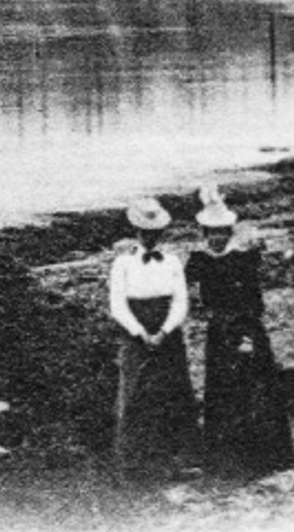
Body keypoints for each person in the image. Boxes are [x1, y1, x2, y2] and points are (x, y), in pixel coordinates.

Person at [187, 186, 294, 479]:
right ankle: (227, 460)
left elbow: (254, 302)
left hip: (246, 330)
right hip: (218, 333)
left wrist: (247, 337)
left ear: (229, 232)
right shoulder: (200, 260)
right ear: (204, 233)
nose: (216, 238)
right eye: (211, 233)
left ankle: (264, 457)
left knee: (255, 390)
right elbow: (179, 282)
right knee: (222, 392)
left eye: (221, 232)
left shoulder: (242, 259)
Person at [108, 197, 200, 479]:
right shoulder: (122, 263)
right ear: (136, 231)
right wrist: (140, 333)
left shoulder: (172, 261)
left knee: (174, 393)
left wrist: (164, 331)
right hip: (135, 334)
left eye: (155, 232)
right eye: (144, 232)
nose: (149, 237)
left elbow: (181, 301)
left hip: (167, 333)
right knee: (135, 393)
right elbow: (117, 305)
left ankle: (179, 462)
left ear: (161, 233)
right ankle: (135, 465)